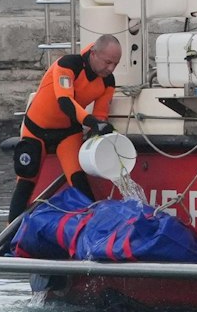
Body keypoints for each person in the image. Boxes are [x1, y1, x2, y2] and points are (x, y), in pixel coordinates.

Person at [8, 35, 120, 220]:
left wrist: (98, 128)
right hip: (36, 129)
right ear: (93, 54)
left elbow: (101, 115)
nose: (111, 68)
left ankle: (90, 227)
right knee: (26, 182)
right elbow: (65, 102)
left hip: (68, 133)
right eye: (108, 62)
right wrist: (92, 122)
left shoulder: (107, 81)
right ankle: (10, 235)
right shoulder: (68, 65)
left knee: (79, 181)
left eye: (115, 64)